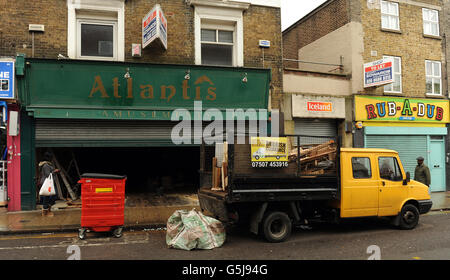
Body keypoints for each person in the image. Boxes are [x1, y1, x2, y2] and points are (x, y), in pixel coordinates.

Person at [38, 151, 59, 217]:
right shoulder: (46, 165)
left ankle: (47, 210)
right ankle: (45, 211)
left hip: (48, 182)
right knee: (48, 197)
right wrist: (55, 171)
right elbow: (48, 174)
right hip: (47, 183)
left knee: (50, 196)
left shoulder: (47, 164)